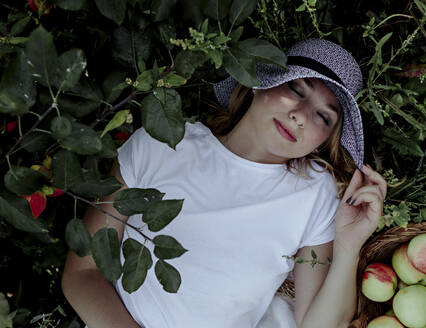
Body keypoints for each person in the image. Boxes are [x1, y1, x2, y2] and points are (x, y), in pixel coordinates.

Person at [61, 38, 387, 328]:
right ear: (261, 82)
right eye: (296, 89)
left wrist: (348, 248)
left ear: (322, 141)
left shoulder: (313, 193)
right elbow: (82, 273)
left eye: (323, 117)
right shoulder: (161, 144)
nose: (301, 115)